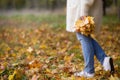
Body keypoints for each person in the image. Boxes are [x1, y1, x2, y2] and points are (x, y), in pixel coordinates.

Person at [66, 0, 114, 78]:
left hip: (81, 10)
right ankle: (105, 60)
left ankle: (89, 71)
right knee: (85, 37)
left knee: (83, 36)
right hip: (80, 8)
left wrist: (83, 13)